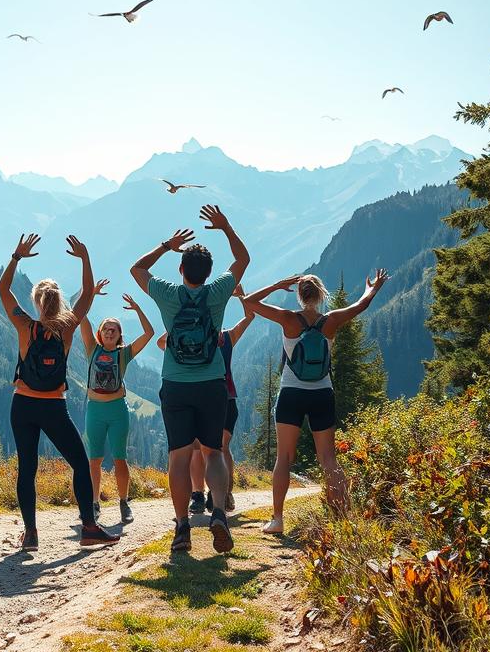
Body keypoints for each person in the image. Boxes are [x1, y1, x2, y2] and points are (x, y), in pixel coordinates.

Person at [131, 205, 249, 553]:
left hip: (176, 384)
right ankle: (217, 514)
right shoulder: (218, 292)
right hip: (212, 383)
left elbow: (137, 268)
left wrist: (167, 245)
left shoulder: (169, 294)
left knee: (179, 458)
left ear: (181, 269)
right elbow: (242, 260)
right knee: (213, 453)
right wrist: (226, 227)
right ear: (210, 272)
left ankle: (182, 528)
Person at [0, 233, 121, 551]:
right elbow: (89, 296)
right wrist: (85, 257)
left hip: (22, 404)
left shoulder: (25, 327)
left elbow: (3, 289)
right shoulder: (66, 327)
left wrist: (16, 256)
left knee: (27, 469)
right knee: (81, 464)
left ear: (38, 303)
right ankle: (89, 527)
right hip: (54, 407)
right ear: (59, 302)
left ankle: (31, 533)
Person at [242, 271, 389, 534]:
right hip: (322, 393)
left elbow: (249, 302)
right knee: (328, 458)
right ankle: (343, 520)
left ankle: (277, 520)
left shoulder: (288, 319)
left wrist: (278, 285)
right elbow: (361, 305)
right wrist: (372, 288)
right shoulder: (331, 321)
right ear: (321, 295)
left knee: (284, 458)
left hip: (291, 393)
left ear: (299, 295)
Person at [77, 279, 153, 525]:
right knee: (94, 460)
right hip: (95, 410)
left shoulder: (124, 354)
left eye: (114, 329)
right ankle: (94, 503)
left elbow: (149, 333)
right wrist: (91, 294)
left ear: (120, 335)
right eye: (106, 328)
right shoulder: (91, 348)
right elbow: (79, 315)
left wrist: (138, 309)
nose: (110, 331)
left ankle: (124, 502)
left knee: (120, 459)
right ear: (100, 333)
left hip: (118, 410)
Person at [178, 284, 256, 516]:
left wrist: (242, 294)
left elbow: (250, 316)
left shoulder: (227, 336)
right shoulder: (223, 336)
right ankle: (205, 494)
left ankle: (214, 495)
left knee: (213, 447)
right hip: (220, 396)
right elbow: (162, 342)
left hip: (221, 398)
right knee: (208, 447)